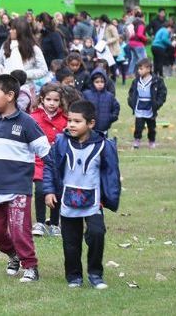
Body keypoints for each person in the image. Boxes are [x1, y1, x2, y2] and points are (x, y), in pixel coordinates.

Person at [0, 74, 51, 283]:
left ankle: (30, 266)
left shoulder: (27, 123)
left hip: (18, 187)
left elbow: (47, 153)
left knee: (19, 229)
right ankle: (13, 255)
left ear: (11, 95)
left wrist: (55, 181)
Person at [43, 100, 121, 289]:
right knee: (71, 242)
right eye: (69, 120)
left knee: (96, 234)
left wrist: (110, 197)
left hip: (94, 202)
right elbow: (50, 166)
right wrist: (49, 191)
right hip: (67, 201)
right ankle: (74, 276)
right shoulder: (61, 142)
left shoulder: (104, 145)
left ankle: (95, 274)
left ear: (91, 123)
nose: (71, 125)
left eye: (77, 121)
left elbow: (111, 173)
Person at [29, 83, 67, 238]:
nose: (52, 103)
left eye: (56, 100)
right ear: (42, 99)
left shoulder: (65, 119)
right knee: (40, 190)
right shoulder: (33, 118)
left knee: (57, 191)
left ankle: (54, 223)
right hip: (38, 160)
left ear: (60, 101)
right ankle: (39, 222)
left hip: (57, 162)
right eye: (49, 99)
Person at [0, 17, 48, 86]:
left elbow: (43, 70)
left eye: (13, 29)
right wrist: (1, 70)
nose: (10, 31)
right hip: (6, 86)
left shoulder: (34, 49)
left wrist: (24, 74)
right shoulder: (6, 45)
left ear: (20, 31)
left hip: (25, 87)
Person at [127, 58, 168, 149]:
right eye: (138, 68)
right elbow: (131, 92)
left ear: (149, 69)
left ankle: (151, 141)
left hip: (150, 107)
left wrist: (157, 103)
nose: (139, 71)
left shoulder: (157, 81)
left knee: (151, 127)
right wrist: (131, 102)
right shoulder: (136, 81)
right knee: (138, 126)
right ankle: (137, 140)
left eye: (141, 69)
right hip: (139, 107)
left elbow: (162, 93)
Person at [82, 70, 120, 137]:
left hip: (104, 128)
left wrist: (111, 117)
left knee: (103, 145)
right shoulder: (86, 94)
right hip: (89, 129)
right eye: (97, 82)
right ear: (92, 82)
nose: (100, 84)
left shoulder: (109, 96)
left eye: (102, 82)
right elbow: (82, 108)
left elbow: (116, 107)